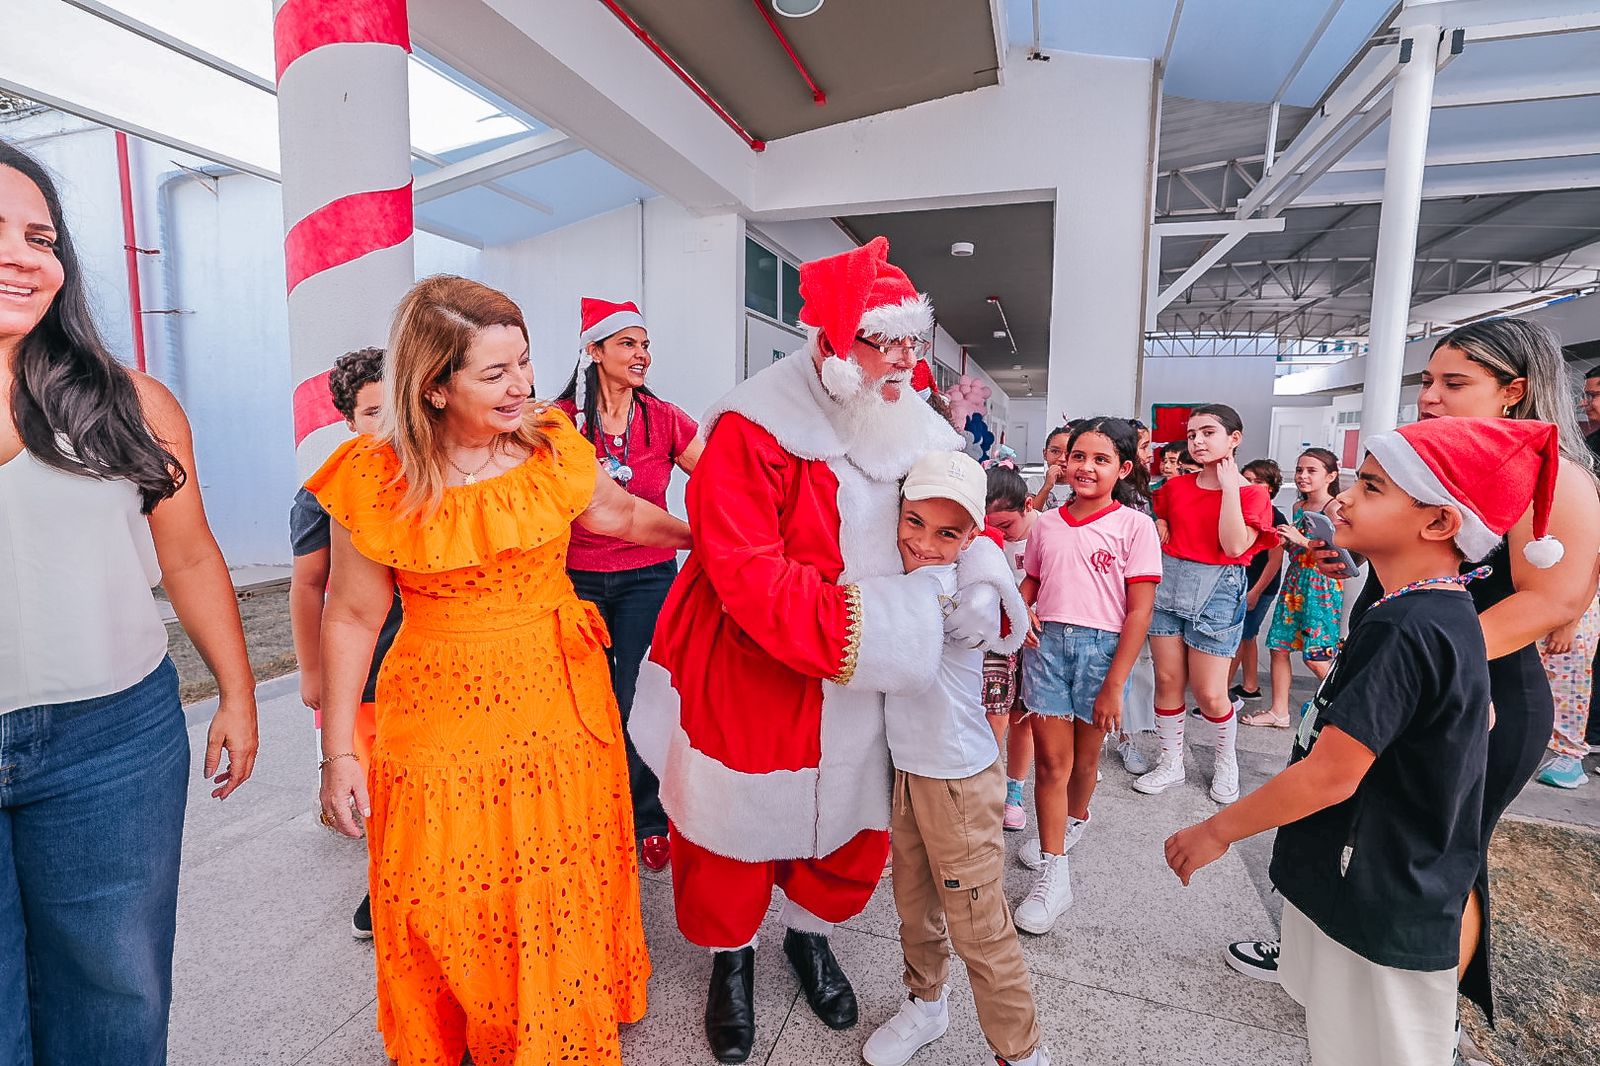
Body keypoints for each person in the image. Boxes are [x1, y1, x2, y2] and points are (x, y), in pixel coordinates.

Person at [629, 237, 999, 1065]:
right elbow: (746, 576)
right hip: (753, 663)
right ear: (832, 340)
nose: (903, 362)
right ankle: (732, 960)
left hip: (870, 680)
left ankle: (809, 934)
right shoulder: (752, 425)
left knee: (852, 825)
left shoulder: (916, 418)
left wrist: (981, 576)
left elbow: (963, 511)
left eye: (912, 342)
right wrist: (888, 630)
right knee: (728, 827)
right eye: (884, 342)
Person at [311, 275, 690, 1066]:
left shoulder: (550, 443)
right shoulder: (374, 475)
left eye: (523, 362)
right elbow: (350, 614)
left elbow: (616, 514)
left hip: (558, 692)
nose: (523, 385)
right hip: (437, 708)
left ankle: (555, 1025)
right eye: (495, 372)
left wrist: (704, 540)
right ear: (434, 387)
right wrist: (340, 751)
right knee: (444, 890)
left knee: (557, 871)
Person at [1226, 320, 1600, 1022]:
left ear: (1514, 392)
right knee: (1354, 824)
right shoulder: (1447, 466)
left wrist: (1428, 670)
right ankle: (1321, 949)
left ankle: (1435, 1022)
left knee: (1442, 864)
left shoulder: (1558, 480)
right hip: (1410, 680)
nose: (1429, 398)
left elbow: (1549, 600)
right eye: (1426, 381)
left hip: (1479, 696)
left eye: (1454, 384)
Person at [1169, 417, 1565, 1066]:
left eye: (1374, 487)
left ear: (1440, 523)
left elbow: (1331, 775)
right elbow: (1477, 722)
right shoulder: (1446, 607)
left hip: (1379, 894)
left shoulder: (1409, 626)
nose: (1343, 499)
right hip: (1393, 879)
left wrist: (1216, 832)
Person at [0, 140, 258, 1065]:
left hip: (110, 744)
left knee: (115, 999)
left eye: (40, 235)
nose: (24, 255)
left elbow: (187, 557)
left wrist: (236, 692)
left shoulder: (130, 403)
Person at [862, 450, 1046, 1066]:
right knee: (913, 907)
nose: (924, 544)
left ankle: (1019, 1054)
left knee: (981, 929)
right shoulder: (928, 573)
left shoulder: (965, 592)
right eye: (913, 522)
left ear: (972, 536)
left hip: (959, 780)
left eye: (946, 532)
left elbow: (889, 629)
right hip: (910, 768)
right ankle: (925, 1004)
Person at [554, 297, 702, 871]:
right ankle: (589, 811)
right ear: (594, 351)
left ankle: (647, 819)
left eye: (644, 345)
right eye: (628, 344)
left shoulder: (662, 418)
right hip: (574, 581)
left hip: (647, 578)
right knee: (582, 701)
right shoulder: (559, 421)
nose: (642, 355)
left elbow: (716, 475)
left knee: (640, 699)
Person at [1012, 417, 1161, 935]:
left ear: (1123, 468)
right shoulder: (1047, 523)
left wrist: (1116, 683)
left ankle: (1076, 820)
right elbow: (1032, 578)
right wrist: (1022, 606)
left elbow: (1140, 611)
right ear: (1063, 461)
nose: (1086, 468)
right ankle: (1056, 874)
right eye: (1078, 457)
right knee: (1052, 762)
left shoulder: (1134, 526)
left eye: (1100, 460)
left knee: (1086, 760)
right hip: (1047, 647)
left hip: (1103, 653)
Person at [288, 346, 402, 939]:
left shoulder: (441, 472)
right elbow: (308, 585)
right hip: (370, 673)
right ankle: (384, 886)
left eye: (398, 407)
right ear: (349, 422)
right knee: (383, 793)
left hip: (436, 663)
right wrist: (313, 672)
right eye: (372, 413)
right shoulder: (326, 491)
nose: (389, 426)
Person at [1138, 405, 1276, 804]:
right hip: (1169, 585)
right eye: (1193, 433)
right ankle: (1171, 761)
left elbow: (1234, 546)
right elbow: (1159, 526)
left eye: (1208, 432)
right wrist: (1159, 524)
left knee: (1211, 692)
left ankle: (1225, 760)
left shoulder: (1252, 493)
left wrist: (1231, 488)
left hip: (1218, 590)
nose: (1197, 441)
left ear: (1234, 438)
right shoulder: (1173, 488)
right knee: (1167, 681)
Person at [1250, 448, 1346, 728]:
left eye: (1311, 471)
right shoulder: (1299, 508)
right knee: (1279, 647)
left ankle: (1344, 710)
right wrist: (1287, 542)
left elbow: (1342, 557)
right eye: (1300, 469)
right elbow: (1297, 549)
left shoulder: (1335, 509)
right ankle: (1279, 711)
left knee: (1316, 657)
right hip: (1295, 581)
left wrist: (1301, 541)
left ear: (1331, 475)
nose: (1303, 476)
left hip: (1322, 586)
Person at [983, 462, 1039, 830]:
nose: (1000, 534)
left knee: (1024, 718)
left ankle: (1014, 791)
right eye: (993, 526)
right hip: (997, 637)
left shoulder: (1046, 535)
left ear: (1029, 506)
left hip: (1035, 640)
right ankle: (986, 787)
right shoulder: (983, 538)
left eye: (1006, 526)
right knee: (994, 712)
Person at [1228, 459, 1286, 703]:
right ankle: (1251, 685)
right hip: (1242, 583)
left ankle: (1222, 693)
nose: (1250, 485)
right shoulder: (1238, 510)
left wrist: (1255, 592)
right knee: (1248, 635)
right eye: (1246, 479)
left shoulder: (1274, 515)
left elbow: (1275, 560)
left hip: (1259, 587)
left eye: (1258, 482)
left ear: (1271, 487)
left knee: (1240, 636)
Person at [1029, 425, 1072, 512]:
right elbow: (1031, 514)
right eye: (1055, 451)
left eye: (1069, 453)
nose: (1062, 459)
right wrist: (1047, 486)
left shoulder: (1079, 485)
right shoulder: (1035, 482)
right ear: (1045, 454)